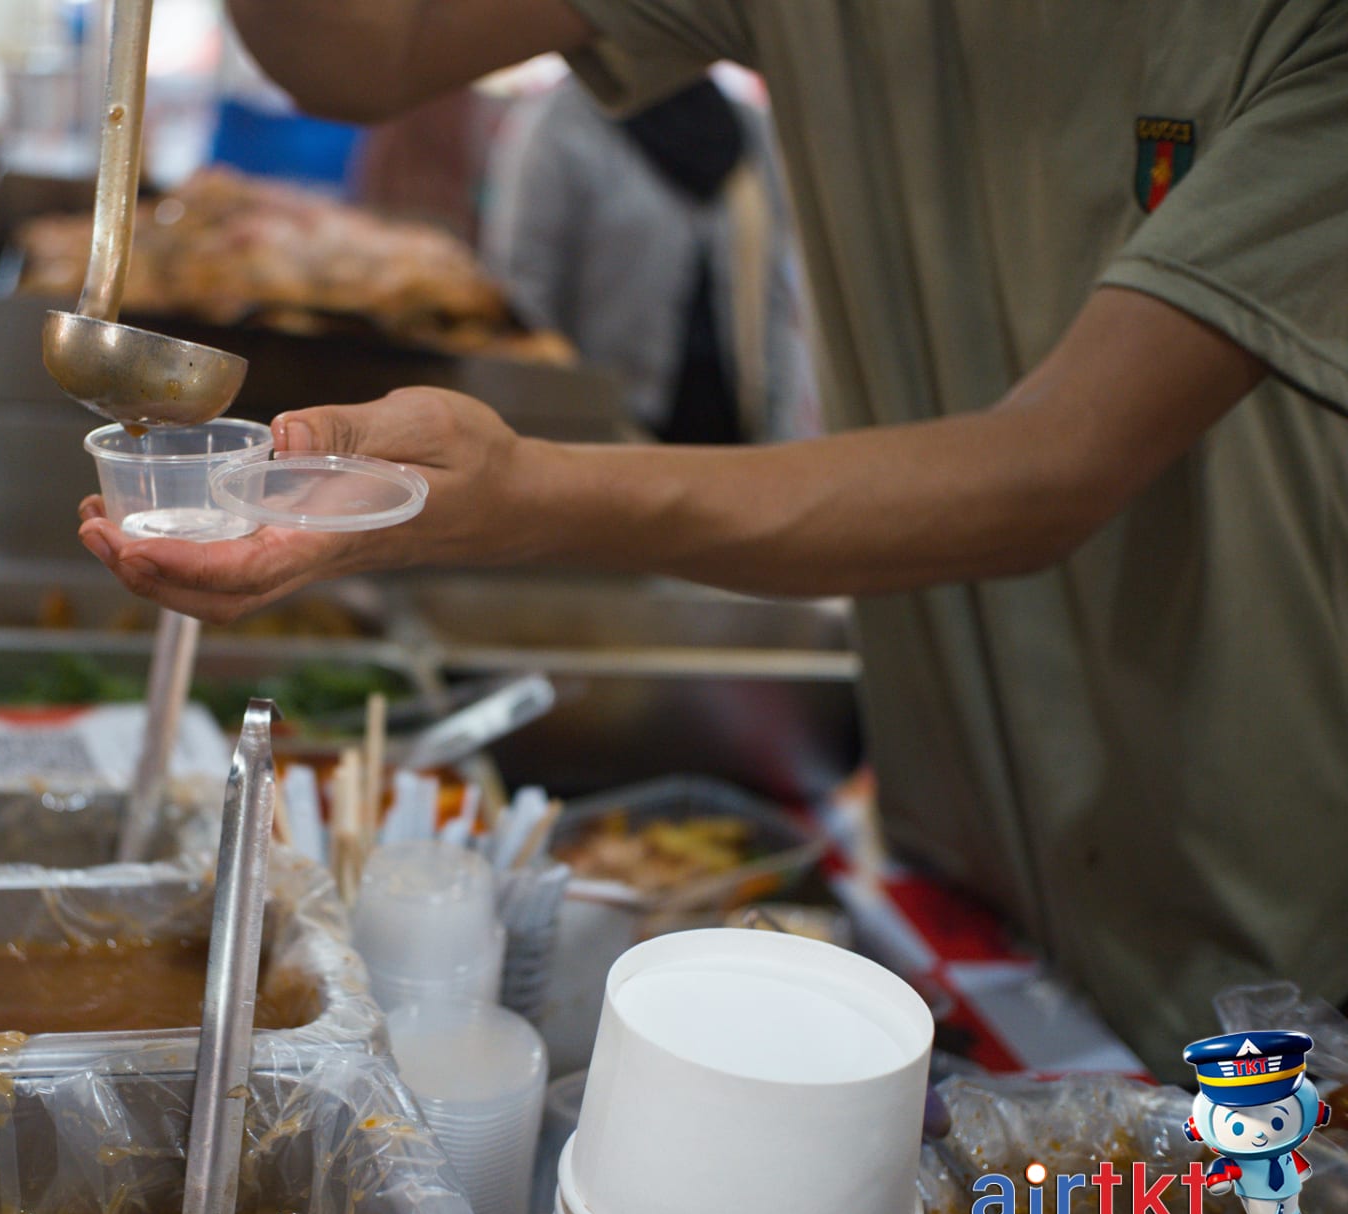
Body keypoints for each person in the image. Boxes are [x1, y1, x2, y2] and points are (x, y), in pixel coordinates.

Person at [78, 0, 1348, 1076]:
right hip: (961, 868)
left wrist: (525, 492)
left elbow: (1052, 470)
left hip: (1267, 930)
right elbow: (365, 47)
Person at [483, 71, 815, 444]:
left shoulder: (746, 128)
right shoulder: (560, 122)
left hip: (732, 431)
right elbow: (525, 294)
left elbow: (775, 295)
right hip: (606, 434)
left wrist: (779, 434)